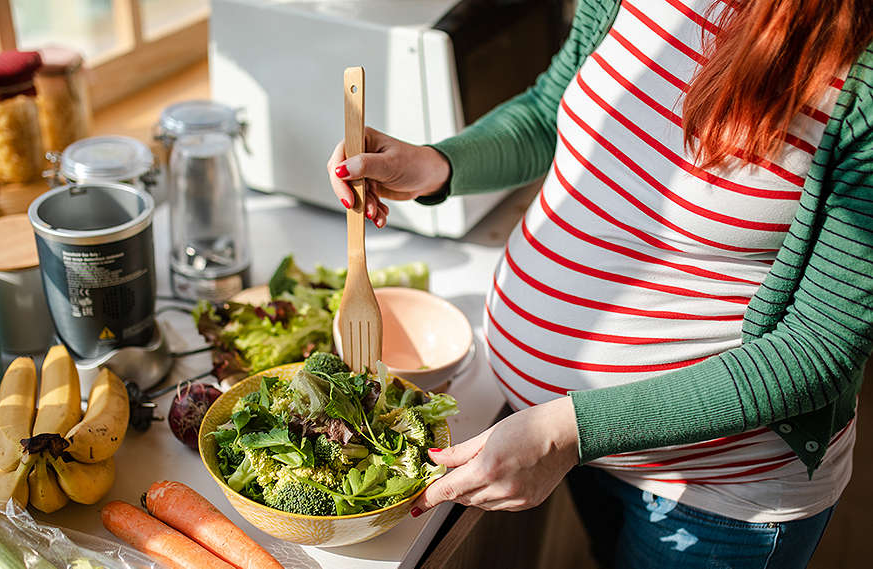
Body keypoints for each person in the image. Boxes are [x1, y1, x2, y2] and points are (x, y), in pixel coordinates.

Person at [325, 1, 873, 567]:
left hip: (714, 489)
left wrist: (572, 428)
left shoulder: (862, 78)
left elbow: (814, 353)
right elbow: (551, 110)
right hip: (574, 438)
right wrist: (435, 164)